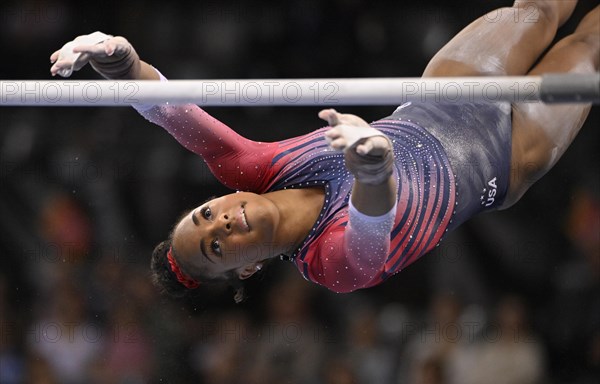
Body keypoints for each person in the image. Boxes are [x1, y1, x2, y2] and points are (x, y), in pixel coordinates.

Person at [49, 1, 599, 303]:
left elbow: (171, 110)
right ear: (249, 269)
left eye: (205, 216)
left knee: (537, 11)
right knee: (587, 48)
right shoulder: (329, 266)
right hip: (503, 159)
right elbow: (371, 224)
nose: (223, 223)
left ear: (221, 195)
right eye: (218, 247)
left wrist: (121, 63)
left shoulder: (256, 168)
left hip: (443, 97)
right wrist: (370, 166)